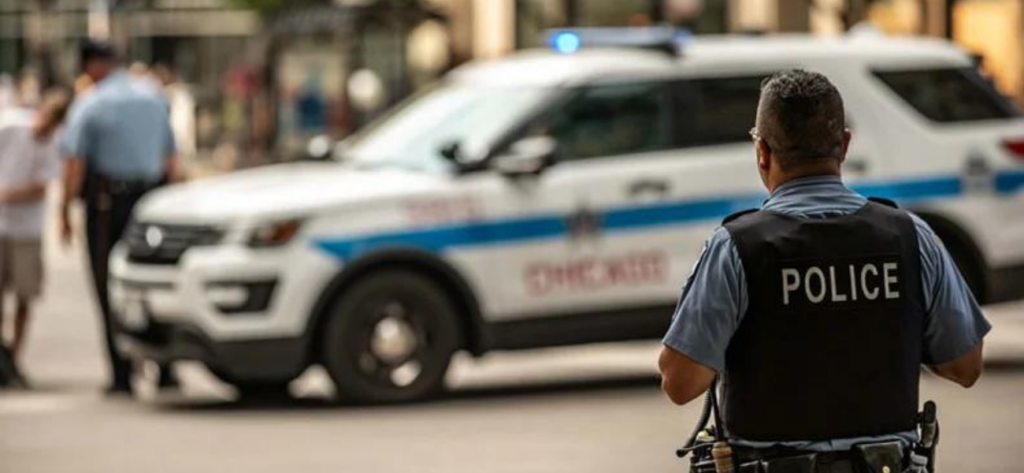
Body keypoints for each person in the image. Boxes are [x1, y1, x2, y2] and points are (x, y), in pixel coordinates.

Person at [659, 70, 989, 472]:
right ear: (845, 145)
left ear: (762, 151)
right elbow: (965, 366)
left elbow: (680, 383)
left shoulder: (737, 248)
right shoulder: (911, 237)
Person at [60, 41, 179, 396]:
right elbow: (171, 157)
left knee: (107, 284)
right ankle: (166, 365)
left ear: (91, 66)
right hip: (152, 199)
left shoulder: (92, 102)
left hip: (107, 204)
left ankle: (122, 372)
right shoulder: (153, 96)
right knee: (156, 278)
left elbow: (74, 162)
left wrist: (64, 210)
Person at [0, 90, 70, 383]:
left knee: (25, 296)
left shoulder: (54, 144)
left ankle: (14, 357)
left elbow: (41, 187)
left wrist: (6, 194)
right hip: (2, 225)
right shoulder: (11, 126)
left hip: (27, 228)